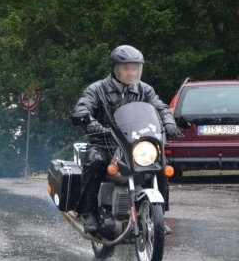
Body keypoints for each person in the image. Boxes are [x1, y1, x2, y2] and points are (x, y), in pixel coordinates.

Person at [71, 45, 182, 234]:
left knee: (160, 164)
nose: (131, 73)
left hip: (135, 145)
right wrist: (90, 122)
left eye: (135, 68)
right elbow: (82, 108)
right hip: (105, 144)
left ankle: (158, 215)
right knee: (95, 161)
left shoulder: (144, 90)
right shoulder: (97, 89)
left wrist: (169, 122)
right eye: (126, 68)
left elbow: (161, 107)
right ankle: (87, 211)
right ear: (114, 68)